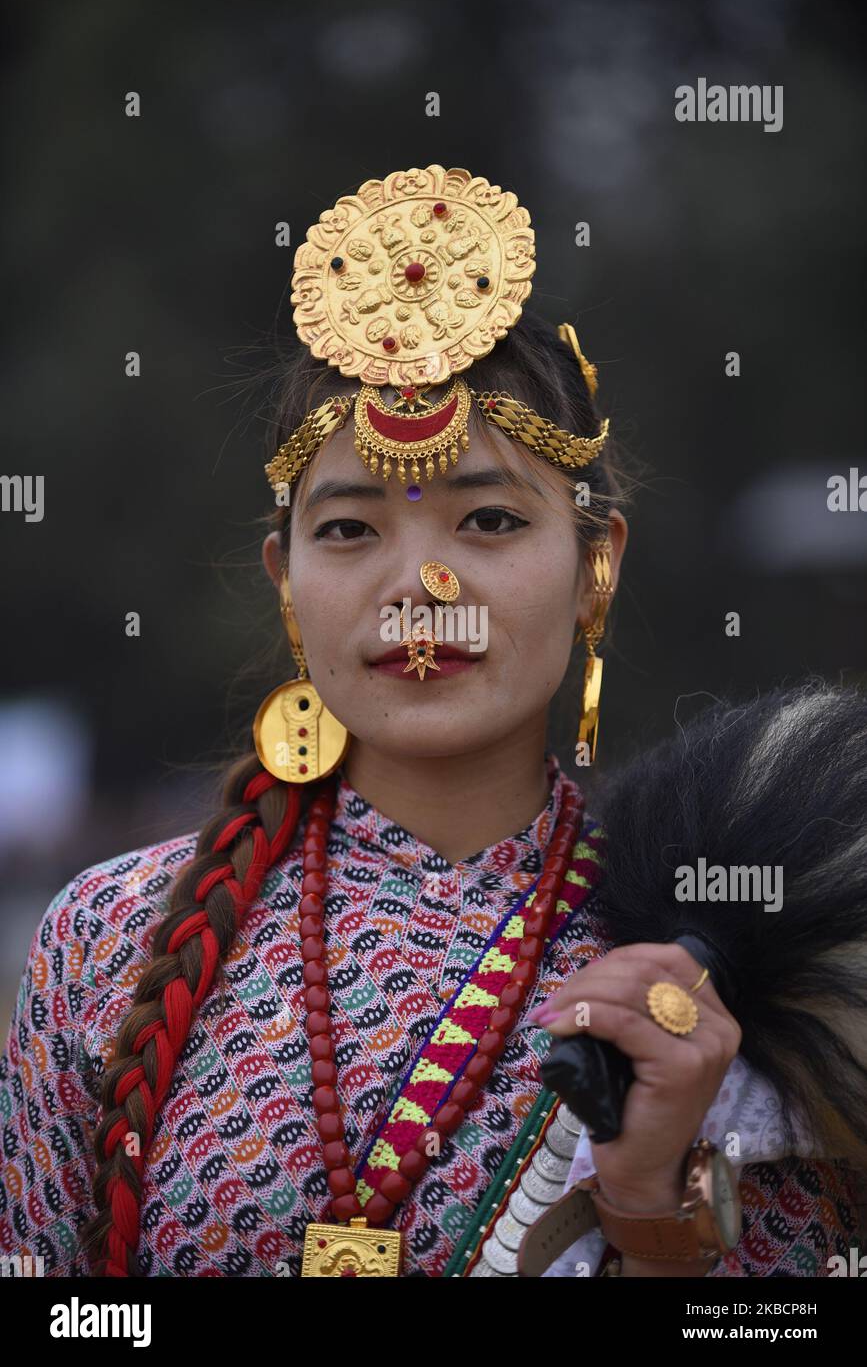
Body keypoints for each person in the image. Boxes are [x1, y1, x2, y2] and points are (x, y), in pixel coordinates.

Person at [0, 165, 860, 1279]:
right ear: (285, 581)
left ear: (595, 568)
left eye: (492, 519)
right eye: (352, 531)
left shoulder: (726, 955)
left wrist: (651, 1205)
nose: (422, 584)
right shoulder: (103, 944)